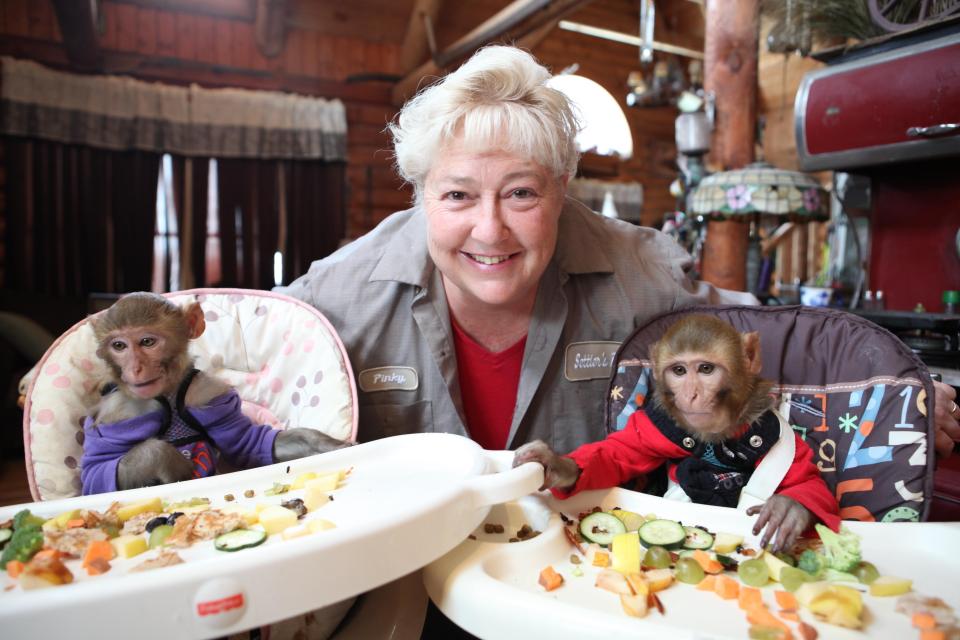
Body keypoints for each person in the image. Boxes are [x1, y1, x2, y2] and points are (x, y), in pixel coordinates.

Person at [277, 45, 754, 457]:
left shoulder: (643, 273)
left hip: (589, 558)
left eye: (520, 193)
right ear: (420, 192)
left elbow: (772, 345)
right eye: (458, 195)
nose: (489, 231)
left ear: (561, 188)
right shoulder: (334, 296)